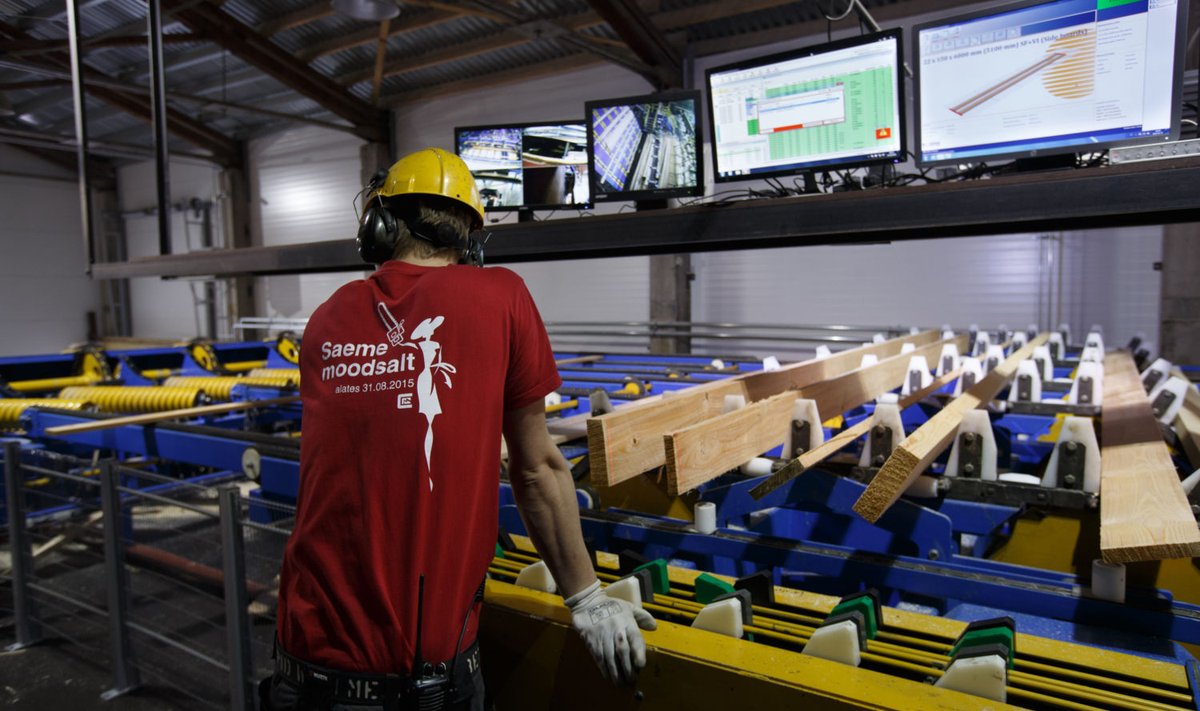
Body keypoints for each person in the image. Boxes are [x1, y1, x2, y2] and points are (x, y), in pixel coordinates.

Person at [265, 147, 655, 711]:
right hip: (420, 684)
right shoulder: (501, 296)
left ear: (378, 225)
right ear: (470, 239)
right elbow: (537, 467)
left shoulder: (326, 317)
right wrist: (587, 597)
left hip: (301, 664)